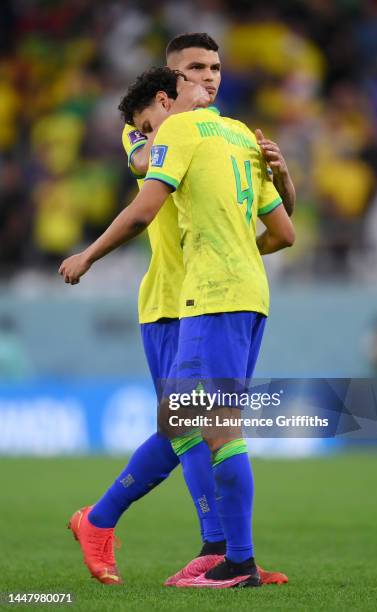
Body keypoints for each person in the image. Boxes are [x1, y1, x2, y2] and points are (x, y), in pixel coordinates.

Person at [60, 64, 295, 588]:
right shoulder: (232, 131)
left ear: (169, 102)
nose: (208, 80)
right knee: (196, 421)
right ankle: (225, 554)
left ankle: (224, 555)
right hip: (217, 297)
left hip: (206, 295)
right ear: (177, 84)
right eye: (197, 71)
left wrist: (89, 255)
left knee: (200, 423)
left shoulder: (182, 129)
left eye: (213, 71)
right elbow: (283, 232)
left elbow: (146, 209)